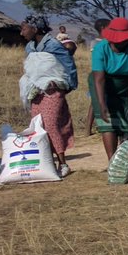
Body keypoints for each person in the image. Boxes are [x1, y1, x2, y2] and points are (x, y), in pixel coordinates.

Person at [21, 15, 77, 177]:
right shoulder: (30, 47)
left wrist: (68, 86)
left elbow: (68, 64)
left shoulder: (52, 44)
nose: (21, 33)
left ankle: (63, 164)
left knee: (51, 124)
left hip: (53, 90)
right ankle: (47, 163)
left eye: (24, 29)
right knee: (38, 125)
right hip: (35, 91)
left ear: (35, 29)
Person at [90, 17, 128, 160]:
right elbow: (99, 79)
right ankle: (112, 161)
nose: (120, 42)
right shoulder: (100, 48)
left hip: (127, 84)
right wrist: (102, 104)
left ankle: (125, 158)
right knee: (109, 122)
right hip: (104, 84)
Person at [86, 18, 112, 136]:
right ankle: (89, 128)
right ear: (103, 28)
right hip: (99, 74)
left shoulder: (109, 42)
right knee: (95, 101)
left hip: (108, 74)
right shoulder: (96, 43)